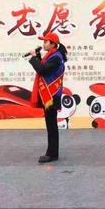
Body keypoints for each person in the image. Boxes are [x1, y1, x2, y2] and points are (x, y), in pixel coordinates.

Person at [27, 32, 67, 163]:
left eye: (46, 42)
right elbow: (44, 67)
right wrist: (37, 56)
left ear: (53, 44)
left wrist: (34, 57)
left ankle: (52, 154)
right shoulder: (52, 55)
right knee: (51, 125)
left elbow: (42, 70)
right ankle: (52, 152)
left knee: (51, 126)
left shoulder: (55, 57)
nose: (43, 44)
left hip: (51, 96)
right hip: (49, 95)